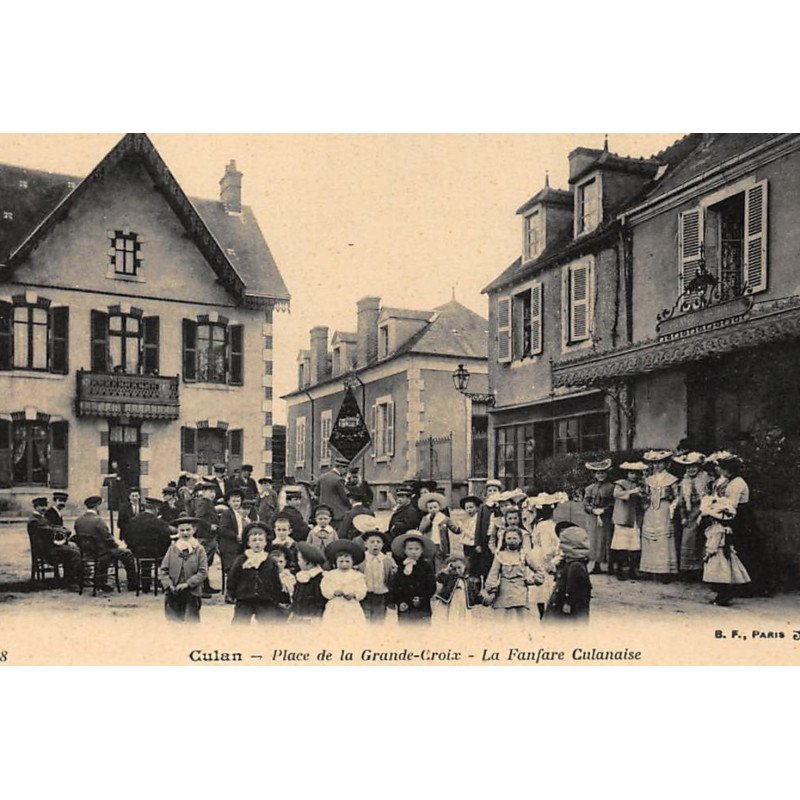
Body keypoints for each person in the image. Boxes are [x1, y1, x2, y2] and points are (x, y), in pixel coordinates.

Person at [710, 451, 770, 596]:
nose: (720, 470)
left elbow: (732, 505)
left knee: (744, 549)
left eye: (722, 468)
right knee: (735, 548)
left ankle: (749, 586)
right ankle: (734, 584)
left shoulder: (737, 483)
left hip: (742, 518)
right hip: (735, 516)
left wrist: (716, 508)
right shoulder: (728, 481)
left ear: (729, 470)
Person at [74, 495, 139, 592]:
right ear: (97, 506)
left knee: (109, 552)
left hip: (87, 552)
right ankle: (133, 584)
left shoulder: (78, 520)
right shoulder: (98, 520)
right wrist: (119, 545)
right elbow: (107, 539)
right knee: (127, 554)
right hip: (101, 552)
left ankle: (101, 581)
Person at [226, 524, 285, 624]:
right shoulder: (241, 559)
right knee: (240, 623)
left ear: (265, 543)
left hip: (265, 599)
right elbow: (233, 576)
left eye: (261, 540)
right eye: (254, 540)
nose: (257, 543)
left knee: (268, 624)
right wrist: (231, 592)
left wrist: (276, 596)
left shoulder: (270, 561)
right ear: (248, 543)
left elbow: (275, 580)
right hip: (245, 597)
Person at [700, 495, 751, 606]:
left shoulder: (716, 530)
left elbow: (713, 545)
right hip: (724, 553)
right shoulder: (725, 529)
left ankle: (722, 596)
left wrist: (707, 555)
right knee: (723, 575)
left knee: (719, 576)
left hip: (718, 555)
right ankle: (722, 596)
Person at [484, 526, 543, 622]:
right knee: (503, 620)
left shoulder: (524, 555)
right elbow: (493, 574)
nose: (512, 541)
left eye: (515, 538)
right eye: (509, 538)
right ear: (504, 540)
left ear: (520, 540)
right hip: (504, 592)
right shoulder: (500, 555)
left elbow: (539, 570)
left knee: (520, 621)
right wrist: (492, 591)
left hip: (520, 592)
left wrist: (532, 580)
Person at [158, 515, 208, 622]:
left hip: (192, 592)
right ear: (178, 531)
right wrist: (169, 584)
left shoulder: (199, 549)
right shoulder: (173, 549)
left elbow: (203, 572)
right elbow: (163, 570)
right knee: (173, 622)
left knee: (191, 622)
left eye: (188, 530)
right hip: (173, 592)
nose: (185, 533)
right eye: (182, 530)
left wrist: (188, 584)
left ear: (194, 530)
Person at [640, 450, 679, 580]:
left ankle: (665, 571)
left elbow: (677, 496)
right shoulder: (648, 479)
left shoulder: (671, 479)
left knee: (663, 538)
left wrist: (672, 506)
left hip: (664, 509)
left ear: (666, 463)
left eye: (660, 463)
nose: (657, 466)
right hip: (651, 510)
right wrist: (645, 500)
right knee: (651, 537)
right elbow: (645, 495)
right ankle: (650, 569)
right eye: (654, 463)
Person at [528, 492, 568, 616]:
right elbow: (547, 549)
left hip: (539, 554)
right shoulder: (546, 525)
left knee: (543, 589)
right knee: (545, 587)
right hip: (543, 557)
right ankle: (545, 614)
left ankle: (545, 613)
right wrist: (552, 560)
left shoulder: (542, 524)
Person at [28, 496, 81, 588]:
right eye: (41, 506)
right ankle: (71, 580)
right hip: (45, 550)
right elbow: (49, 530)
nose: (44, 508)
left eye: (45, 506)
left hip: (48, 547)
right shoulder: (35, 520)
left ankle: (68, 578)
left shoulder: (40, 518)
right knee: (74, 552)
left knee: (72, 548)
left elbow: (52, 526)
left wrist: (61, 529)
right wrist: (63, 530)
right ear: (36, 507)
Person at [673, 453, 711, 578]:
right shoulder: (684, 482)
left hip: (704, 511)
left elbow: (710, 497)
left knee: (703, 539)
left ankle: (703, 570)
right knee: (688, 539)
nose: (691, 469)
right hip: (690, 514)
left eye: (694, 466)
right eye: (688, 467)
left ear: (699, 467)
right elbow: (681, 502)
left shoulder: (706, 479)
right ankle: (689, 570)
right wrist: (683, 516)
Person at [124, 497, 173, 592]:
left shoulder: (133, 521)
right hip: (156, 553)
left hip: (137, 552)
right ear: (156, 509)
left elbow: (127, 537)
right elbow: (166, 540)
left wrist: (134, 547)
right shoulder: (160, 523)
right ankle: (164, 582)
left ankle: (145, 585)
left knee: (145, 561)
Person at [545, 522, 592, 621]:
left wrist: (568, 603)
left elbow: (572, 587)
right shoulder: (570, 561)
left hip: (569, 609)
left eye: (563, 543)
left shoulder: (575, 566)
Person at [353, 518, 396, 622]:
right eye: (372, 542)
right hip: (365, 593)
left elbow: (391, 577)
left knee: (379, 618)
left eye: (378, 542)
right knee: (365, 617)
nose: (375, 544)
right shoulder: (361, 559)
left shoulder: (386, 560)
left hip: (381, 594)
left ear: (382, 545)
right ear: (365, 544)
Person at [389, 531, 437, 624]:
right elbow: (396, 586)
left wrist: (421, 599)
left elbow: (431, 586)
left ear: (422, 550)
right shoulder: (401, 567)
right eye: (410, 549)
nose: (413, 552)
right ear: (405, 550)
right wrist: (400, 602)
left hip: (422, 608)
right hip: (405, 608)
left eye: (417, 549)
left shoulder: (426, 567)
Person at [610, 462, 646, 581]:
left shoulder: (640, 485)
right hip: (623, 517)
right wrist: (631, 492)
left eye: (636, 473)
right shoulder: (621, 483)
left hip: (634, 518)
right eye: (631, 473)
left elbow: (642, 500)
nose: (633, 476)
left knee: (634, 546)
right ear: (627, 473)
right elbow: (616, 494)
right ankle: (619, 570)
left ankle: (632, 570)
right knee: (621, 545)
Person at [321, 540, 367, 624]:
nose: (344, 564)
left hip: (351, 605)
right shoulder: (330, 575)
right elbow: (325, 587)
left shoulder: (357, 576)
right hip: (335, 605)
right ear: (336, 562)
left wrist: (354, 594)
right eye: (341, 561)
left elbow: (362, 589)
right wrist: (333, 593)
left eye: (347, 561)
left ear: (353, 562)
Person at [583, 459, 615, 575]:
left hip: (606, 518)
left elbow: (613, 503)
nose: (601, 475)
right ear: (594, 475)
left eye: (603, 472)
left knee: (607, 539)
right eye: (598, 473)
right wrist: (592, 510)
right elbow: (585, 503)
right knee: (594, 540)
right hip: (593, 517)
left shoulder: (611, 487)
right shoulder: (589, 488)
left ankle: (610, 565)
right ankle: (596, 565)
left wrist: (604, 510)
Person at [418, 491, 460, 572]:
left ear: (439, 507)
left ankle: (439, 576)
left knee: (439, 564)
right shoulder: (426, 518)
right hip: (429, 544)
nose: (433, 509)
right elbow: (421, 529)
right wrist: (430, 519)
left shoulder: (444, 518)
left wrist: (459, 528)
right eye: (430, 508)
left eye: (435, 507)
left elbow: (454, 528)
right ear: (427, 509)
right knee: (428, 563)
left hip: (440, 545)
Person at [432, 554, 480, 624]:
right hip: (448, 604)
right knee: (447, 620)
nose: (457, 571)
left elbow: (475, 592)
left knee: (462, 621)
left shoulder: (467, 581)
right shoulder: (448, 578)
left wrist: (484, 600)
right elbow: (439, 579)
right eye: (454, 569)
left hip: (462, 605)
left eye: (459, 568)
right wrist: (446, 570)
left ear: (465, 567)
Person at [192, 481, 221, 597]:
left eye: (214, 491)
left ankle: (206, 586)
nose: (213, 494)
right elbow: (198, 518)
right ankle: (201, 589)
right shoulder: (203, 503)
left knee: (207, 562)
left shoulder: (208, 503)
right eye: (210, 491)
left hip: (209, 537)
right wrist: (209, 526)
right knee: (203, 563)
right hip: (205, 537)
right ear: (204, 492)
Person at [217, 488, 247, 587]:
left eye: (238, 501)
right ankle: (231, 590)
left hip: (239, 544)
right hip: (229, 546)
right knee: (233, 567)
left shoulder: (241, 513)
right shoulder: (227, 513)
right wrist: (236, 536)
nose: (236, 503)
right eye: (233, 501)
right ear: (229, 502)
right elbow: (223, 530)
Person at [473, 479, 503, 579]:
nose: (492, 492)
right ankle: (486, 582)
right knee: (485, 562)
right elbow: (478, 526)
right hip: (485, 538)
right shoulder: (483, 507)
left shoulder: (501, 506)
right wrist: (477, 543)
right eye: (490, 490)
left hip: (497, 538)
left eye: (495, 490)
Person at [292, 542, 327, 621]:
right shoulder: (301, 576)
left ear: (308, 562)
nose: (298, 562)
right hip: (298, 616)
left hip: (312, 618)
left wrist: (317, 617)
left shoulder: (319, 578)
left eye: (299, 560)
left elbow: (320, 602)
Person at [315, 458, 352, 529]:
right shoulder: (339, 479)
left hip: (324, 513)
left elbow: (316, 494)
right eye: (345, 469)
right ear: (340, 467)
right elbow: (345, 498)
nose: (346, 472)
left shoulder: (322, 477)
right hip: (338, 515)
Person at [458, 495, 482, 577]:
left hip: (472, 545)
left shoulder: (477, 520)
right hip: (467, 544)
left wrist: (463, 528)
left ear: (477, 508)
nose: (469, 510)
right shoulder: (469, 519)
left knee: (473, 565)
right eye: (467, 508)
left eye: (471, 507)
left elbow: (473, 535)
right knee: (467, 563)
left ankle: (474, 579)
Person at [268, 544, 296, 613]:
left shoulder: (289, 576)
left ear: (285, 562)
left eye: (281, 562)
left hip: (286, 605)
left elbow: (292, 592)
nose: (278, 564)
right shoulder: (267, 576)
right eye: (274, 562)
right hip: (271, 606)